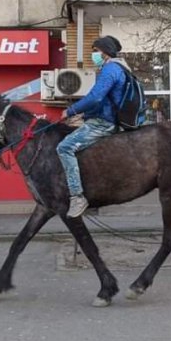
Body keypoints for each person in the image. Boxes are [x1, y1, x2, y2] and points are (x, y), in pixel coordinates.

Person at [56, 36, 130, 218]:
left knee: (64, 147)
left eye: (96, 50)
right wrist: (85, 114)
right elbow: (104, 101)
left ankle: (77, 196)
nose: (94, 54)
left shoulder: (110, 69)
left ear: (104, 52)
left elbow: (95, 97)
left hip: (104, 123)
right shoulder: (115, 68)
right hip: (103, 118)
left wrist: (71, 111)